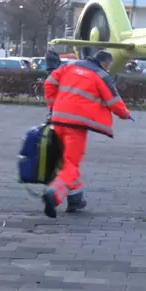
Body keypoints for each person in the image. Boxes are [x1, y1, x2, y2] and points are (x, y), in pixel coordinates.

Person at [41, 50, 132, 218]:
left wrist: (53, 107)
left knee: (65, 161)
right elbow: (113, 101)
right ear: (105, 64)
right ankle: (54, 193)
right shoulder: (100, 75)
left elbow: (49, 83)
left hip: (58, 119)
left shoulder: (70, 66)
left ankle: (76, 199)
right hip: (76, 125)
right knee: (71, 164)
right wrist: (125, 115)